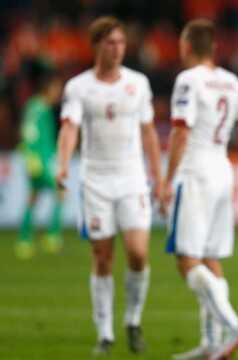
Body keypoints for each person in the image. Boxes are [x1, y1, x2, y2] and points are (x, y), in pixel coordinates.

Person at [56, 16, 163, 355]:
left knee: (138, 252)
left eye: (121, 43)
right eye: (110, 43)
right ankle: (104, 332)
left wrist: (158, 178)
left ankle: (132, 320)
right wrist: (62, 164)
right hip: (95, 180)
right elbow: (70, 127)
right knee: (102, 256)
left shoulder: (138, 83)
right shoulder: (78, 87)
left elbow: (148, 132)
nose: (117, 49)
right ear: (96, 46)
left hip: (132, 178)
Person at [160, 19, 238, 360]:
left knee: (187, 260)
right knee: (210, 259)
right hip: (223, 170)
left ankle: (233, 326)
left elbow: (180, 132)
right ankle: (211, 344)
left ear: (186, 46)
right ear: (214, 48)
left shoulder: (188, 80)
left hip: (195, 171)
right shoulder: (231, 81)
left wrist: (166, 179)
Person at [16, 62, 64, 259]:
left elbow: (26, 132)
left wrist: (28, 155)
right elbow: (32, 134)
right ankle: (52, 236)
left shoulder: (32, 105)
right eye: (56, 89)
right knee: (61, 192)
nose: (58, 93)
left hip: (32, 158)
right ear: (48, 89)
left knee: (33, 197)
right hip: (41, 158)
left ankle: (24, 240)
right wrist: (36, 156)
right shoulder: (41, 108)